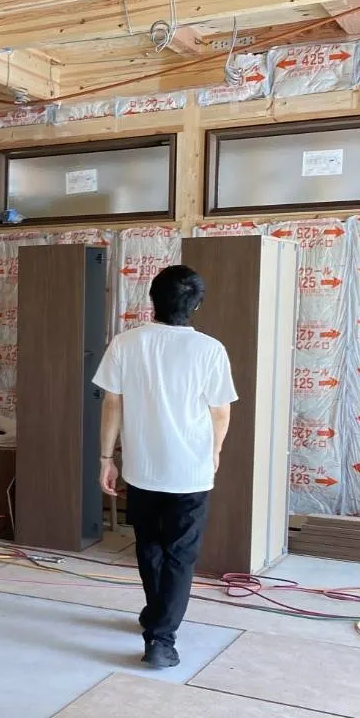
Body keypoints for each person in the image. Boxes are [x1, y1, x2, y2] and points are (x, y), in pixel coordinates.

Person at [92, 265, 236, 669]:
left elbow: (112, 404)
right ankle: (161, 638)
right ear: (197, 305)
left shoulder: (126, 343)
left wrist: (106, 458)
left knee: (149, 547)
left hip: (143, 469)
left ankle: (155, 617)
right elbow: (220, 412)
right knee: (179, 555)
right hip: (190, 471)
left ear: (152, 300)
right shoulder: (210, 349)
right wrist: (216, 451)